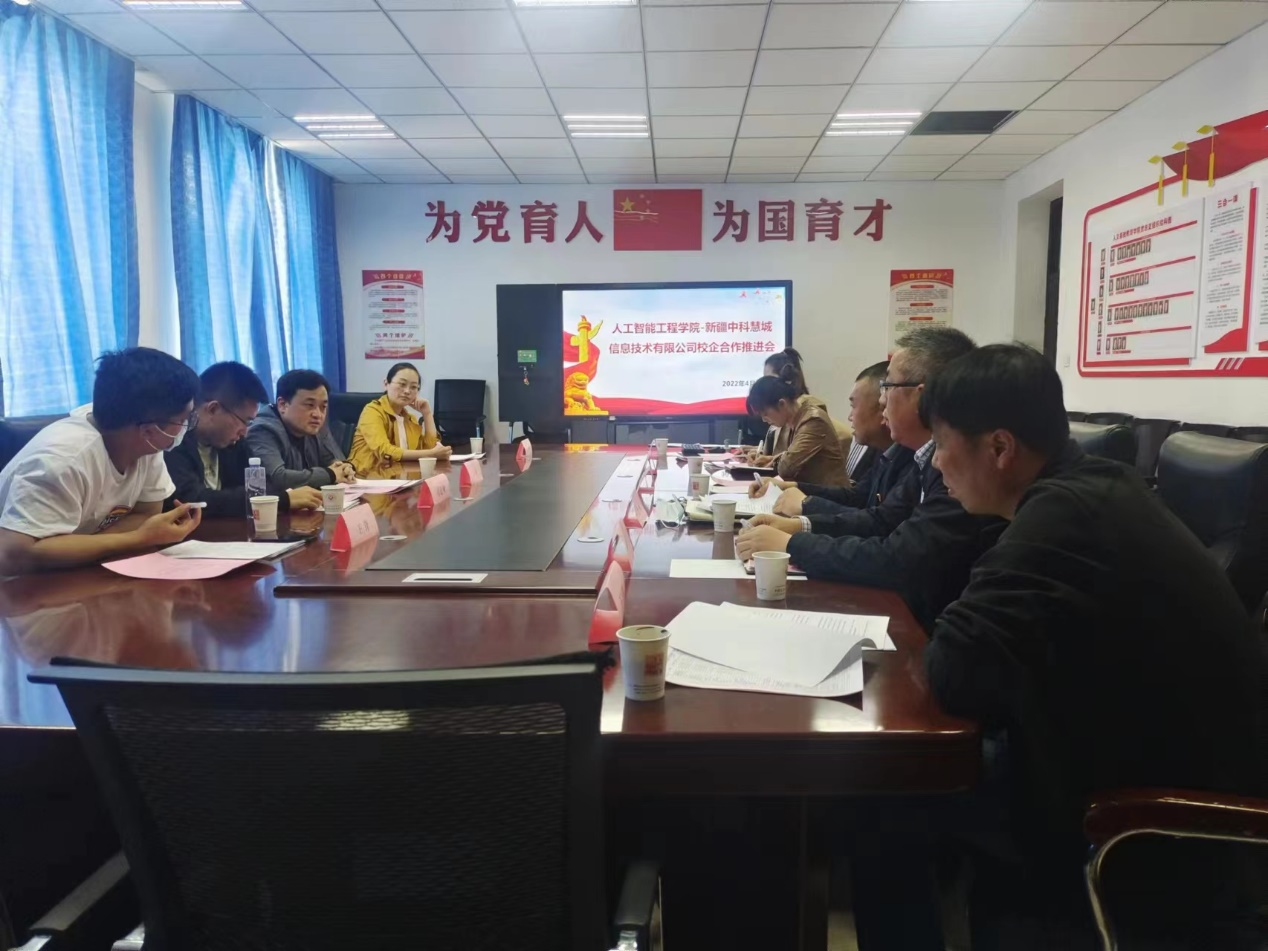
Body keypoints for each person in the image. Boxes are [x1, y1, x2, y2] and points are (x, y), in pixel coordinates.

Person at [851, 344, 1268, 948]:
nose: (936, 463)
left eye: (940, 444)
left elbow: (955, 672)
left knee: (885, 791)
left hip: (1151, 819)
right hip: (1114, 754)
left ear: (1000, 448)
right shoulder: (1092, 489)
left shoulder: (1064, 521)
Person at [736, 327, 1005, 631]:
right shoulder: (918, 456)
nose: (881, 401)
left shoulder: (955, 467)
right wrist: (798, 525)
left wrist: (793, 541)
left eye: (886, 386)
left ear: (923, 395)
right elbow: (880, 520)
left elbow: (897, 558)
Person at [0, 348, 203, 575]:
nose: (187, 427)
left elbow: (147, 513)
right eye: (184, 419)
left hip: (75, 572)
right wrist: (139, 538)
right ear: (149, 430)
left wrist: (80, 547)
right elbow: (14, 554)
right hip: (18, 585)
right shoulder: (63, 460)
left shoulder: (145, 443)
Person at [751, 361, 915, 516]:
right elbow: (858, 496)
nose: (849, 417)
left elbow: (878, 523)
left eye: (853, 406)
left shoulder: (812, 419)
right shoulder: (885, 455)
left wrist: (805, 505)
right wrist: (791, 486)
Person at [165, 362, 322, 517]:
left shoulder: (233, 443)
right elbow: (192, 500)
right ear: (213, 409)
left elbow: (265, 485)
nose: (245, 432)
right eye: (245, 421)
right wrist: (280, 500)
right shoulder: (172, 441)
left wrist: (270, 497)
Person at [247, 369, 355, 494]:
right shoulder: (262, 430)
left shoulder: (314, 426)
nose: (318, 414)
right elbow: (277, 478)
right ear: (282, 405)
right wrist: (331, 474)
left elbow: (335, 461)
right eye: (309, 405)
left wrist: (345, 469)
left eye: (323, 407)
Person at [744, 371, 848, 487]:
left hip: (829, 494)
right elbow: (789, 458)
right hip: (811, 490)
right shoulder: (794, 420)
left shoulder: (813, 421)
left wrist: (773, 460)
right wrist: (771, 459)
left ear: (782, 404)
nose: (764, 420)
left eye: (765, 414)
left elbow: (786, 468)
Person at [348, 362, 452, 478]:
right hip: (367, 479)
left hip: (400, 480)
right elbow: (385, 452)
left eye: (413, 387)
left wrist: (427, 414)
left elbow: (430, 449)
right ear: (386, 384)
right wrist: (431, 454)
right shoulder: (372, 411)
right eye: (402, 384)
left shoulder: (410, 419)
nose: (407, 391)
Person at [746, 348, 810, 463]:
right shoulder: (786, 415)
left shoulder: (807, 415)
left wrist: (770, 460)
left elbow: (790, 463)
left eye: (770, 378)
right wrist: (761, 454)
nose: (766, 384)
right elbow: (786, 454)